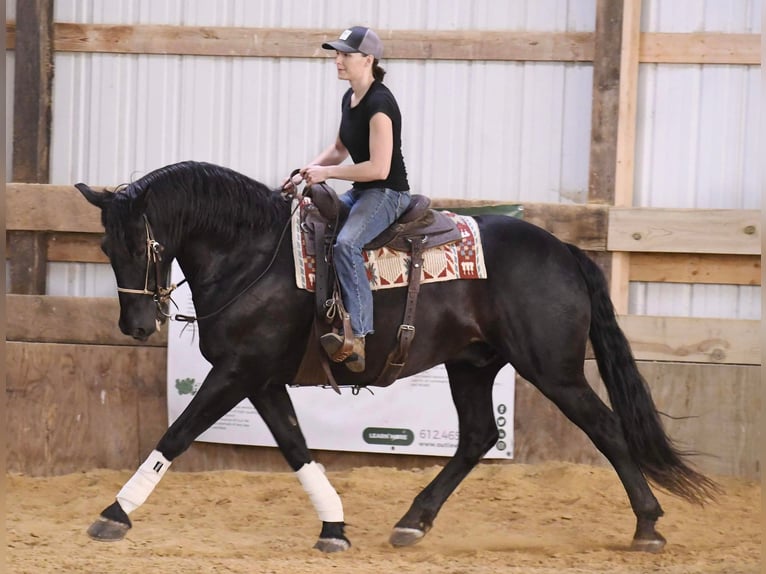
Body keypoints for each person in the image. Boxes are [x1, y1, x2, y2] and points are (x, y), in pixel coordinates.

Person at [297, 26, 411, 373]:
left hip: (387, 193)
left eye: (345, 54)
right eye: (337, 54)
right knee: (307, 217)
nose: (338, 60)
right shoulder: (349, 98)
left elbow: (379, 168)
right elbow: (337, 149)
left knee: (347, 243)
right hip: (362, 191)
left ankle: (358, 337)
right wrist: (308, 169)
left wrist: (328, 174)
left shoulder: (380, 104)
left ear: (369, 60)